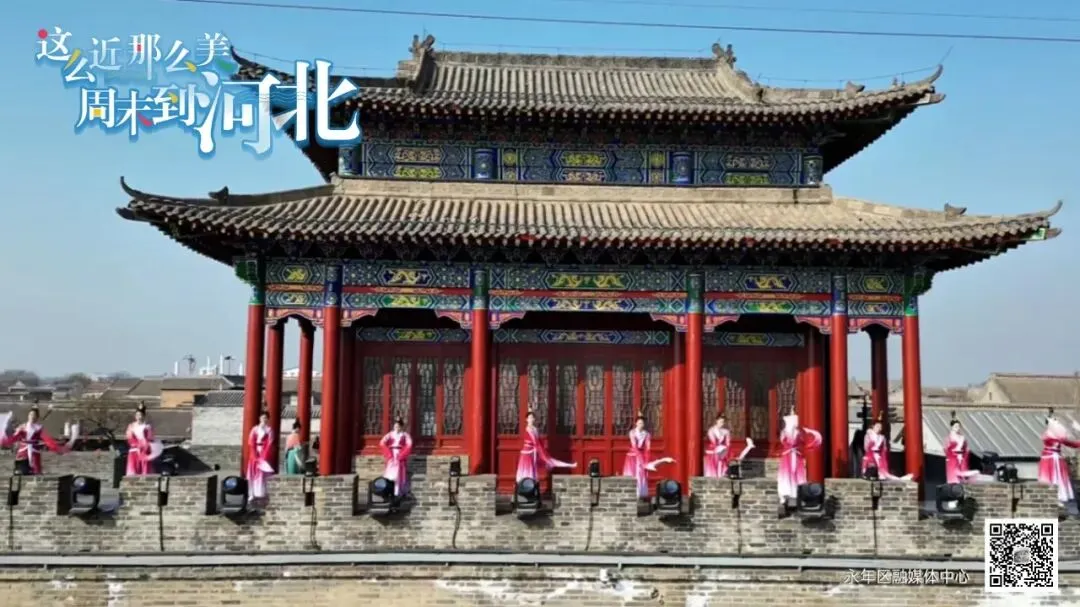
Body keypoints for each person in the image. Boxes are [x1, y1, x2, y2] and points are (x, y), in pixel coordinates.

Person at [0, 406, 74, 475]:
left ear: (37, 417)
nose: (32, 417)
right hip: (23, 451)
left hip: (34, 452)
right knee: (21, 471)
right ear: (28, 416)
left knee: (36, 471)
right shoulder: (22, 427)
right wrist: (5, 439)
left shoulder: (39, 428)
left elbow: (47, 440)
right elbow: (14, 438)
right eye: (30, 415)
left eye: (34, 415)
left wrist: (57, 448)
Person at [622, 414, 676, 498]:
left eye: (642, 423)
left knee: (641, 474)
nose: (641, 425)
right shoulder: (632, 432)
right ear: (636, 423)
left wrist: (646, 459)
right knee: (632, 474)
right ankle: (630, 494)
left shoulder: (647, 434)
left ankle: (641, 494)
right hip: (633, 456)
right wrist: (640, 459)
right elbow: (634, 446)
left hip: (642, 453)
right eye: (639, 423)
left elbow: (647, 448)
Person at [776, 408, 822, 505]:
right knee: (786, 475)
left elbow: (799, 442)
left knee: (798, 475)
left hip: (796, 456)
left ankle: (797, 495)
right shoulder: (785, 432)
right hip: (788, 456)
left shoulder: (798, 432)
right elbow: (787, 442)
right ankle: (786, 494)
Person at [517, 410, 576, 483]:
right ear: (526, 419)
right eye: (529, 418)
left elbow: (538, 441)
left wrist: (542, 451)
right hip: (527, 453)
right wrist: (541, 452)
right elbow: (535, 442)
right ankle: (524, 484)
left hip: (533, 452)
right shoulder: (528, 429)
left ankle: (569, 465)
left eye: (532, 418)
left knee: (542, 463)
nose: (531, 419)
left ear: (534, 419)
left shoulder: (535, 429)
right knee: (527, 470)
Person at [1038, 415, 1080, 504]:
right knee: (1052, 478)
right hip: (1049, 459)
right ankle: (1053, 498)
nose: (1057, 421)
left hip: (1057, 458)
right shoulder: (1048, 434)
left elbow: (1070, 443)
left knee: (1059, 478)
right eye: (1054, 420)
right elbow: (1060, 439)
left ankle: (1060, 497)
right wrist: (1075, 429)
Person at [245, 411, 275, 501]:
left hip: (264, 451)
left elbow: (269, 443)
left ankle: (261, 492)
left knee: (262, 473)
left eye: (266, 418)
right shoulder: (255, 429)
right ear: (259, 418)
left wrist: (264, 455)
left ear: (268, 419)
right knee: (252, 473)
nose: (264, 419)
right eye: (262, 417)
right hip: (255, 451)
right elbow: (251, 441)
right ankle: (251, 493)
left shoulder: (269, 430)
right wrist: (254, 454)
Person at [379, 418, 413, 497]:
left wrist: (403, 454)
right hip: (391, 455)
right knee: (389, 473)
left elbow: (409, 444)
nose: (396, 428)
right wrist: (388, 453)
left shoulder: (405, 435)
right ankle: (388, 491)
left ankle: (397, 491)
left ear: (401, 427)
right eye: (395, 426)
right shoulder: (390, 434)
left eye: (398, 426)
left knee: (398, 474)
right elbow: (382, 443)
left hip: (400, 454)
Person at [944, 417, 979, 484]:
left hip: (959, 458)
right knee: (955, 476)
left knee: (961, 474)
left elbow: (965, 449)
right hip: (952, 459)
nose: (957, 428)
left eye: (958, 426)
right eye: (956, 426)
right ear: (952, 427)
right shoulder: (949, 438)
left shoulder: (961, 437)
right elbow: (948, 449)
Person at [125, 405, 156, 476]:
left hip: (144, 451)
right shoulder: (131, 426)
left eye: (140, 415)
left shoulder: (147, 427)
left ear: (144, 416)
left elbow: (150, 438)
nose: (139, 417)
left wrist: (145, 446)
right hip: (134, 450)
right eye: (137, 415)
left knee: (145, 471)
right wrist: (137, 445)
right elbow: (129, 438)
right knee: (133, 471)